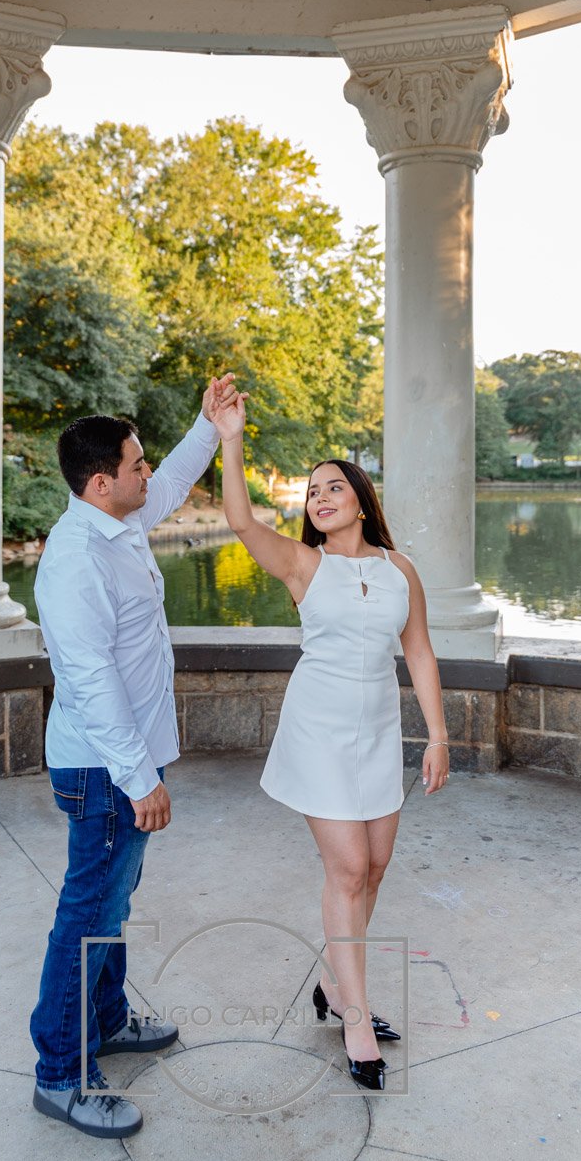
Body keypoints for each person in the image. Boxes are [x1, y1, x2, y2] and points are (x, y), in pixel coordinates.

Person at [212, 389, 449, 1092]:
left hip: (377, 732)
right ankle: (354, 1015)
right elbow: (239, 518)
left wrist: (436, 737)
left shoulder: (400, 570)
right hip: (317, 731)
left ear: (361, 498)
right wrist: (231, 439)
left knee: (374, 869)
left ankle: (328, 979)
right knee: (347, 870)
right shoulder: (301, 565)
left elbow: (422, 655)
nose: (319, 497)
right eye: (312, 491)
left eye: (333, 486)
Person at [30, 373, 239, 1139]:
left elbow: (176, 480)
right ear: (100, 482)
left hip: (121, 762)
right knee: (87, 913)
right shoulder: (77, 559)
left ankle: (109, 1020)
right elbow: (88, 682)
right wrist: (140, 776)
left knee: (111, 905)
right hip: (104, 766)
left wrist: (208, 425)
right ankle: (59, 1074)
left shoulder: (116, 523)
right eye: (136, 464)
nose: (147, 472)